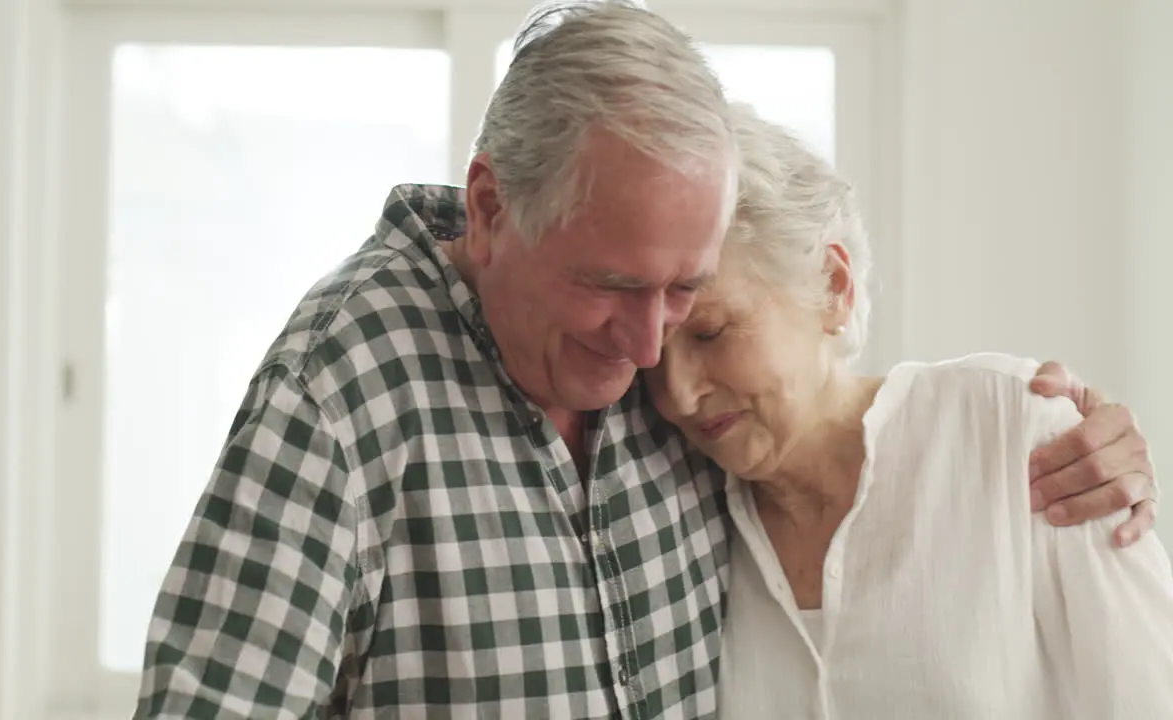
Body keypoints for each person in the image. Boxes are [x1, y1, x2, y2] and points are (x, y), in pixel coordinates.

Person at [134, 3, 1159, 718]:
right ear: (490, 210)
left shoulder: (972, 438)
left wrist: (1092, 442)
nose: (650, 363)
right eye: (612, 288)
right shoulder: (342, 382)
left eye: (689, 305)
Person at [648, 101, 1172, 718]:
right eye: (650, 358)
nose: (677, 394)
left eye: (711, 333)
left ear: (833, 289)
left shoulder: (1016, 431)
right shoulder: (674, 498)